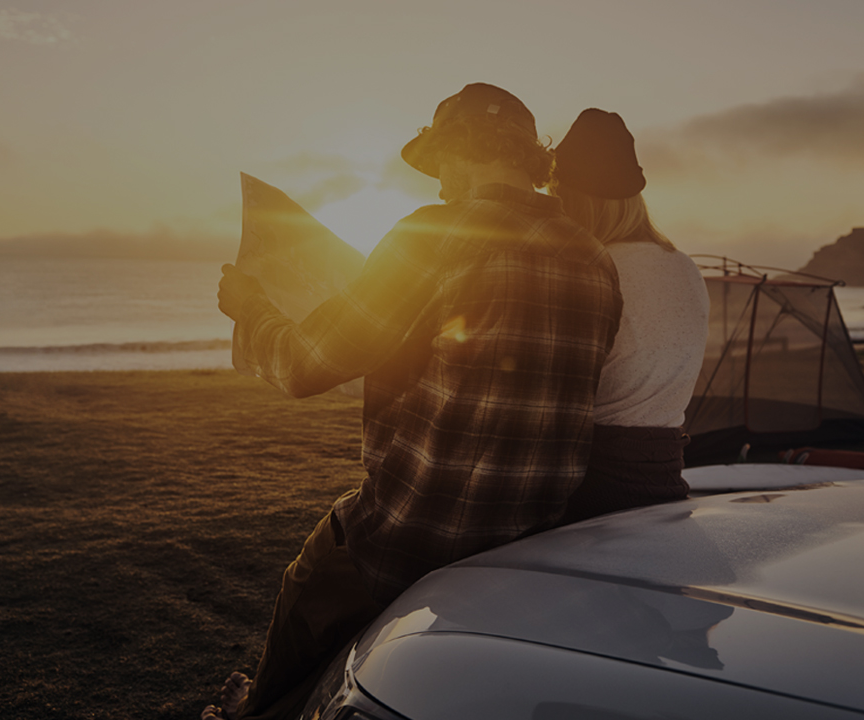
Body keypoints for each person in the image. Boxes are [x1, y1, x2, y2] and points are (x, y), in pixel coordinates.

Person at [205, 83, 623, 720]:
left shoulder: (433, 233)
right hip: (528, 542)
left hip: (413, 537)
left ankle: (254, 711)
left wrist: (252, 308)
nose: (438, 184)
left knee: (308, 585)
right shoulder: (594, 257)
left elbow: (302, 366)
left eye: (441, 164)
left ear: (461, 148)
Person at [549, 109, 710, 525]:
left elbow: (562, 388)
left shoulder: (595, 270)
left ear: (574, 197)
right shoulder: (684, 266)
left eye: (555, 189)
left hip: (594, 485)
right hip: (667, 475)